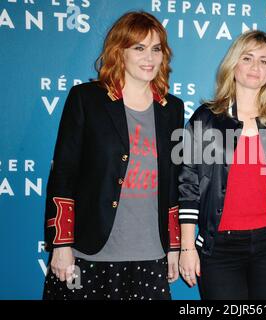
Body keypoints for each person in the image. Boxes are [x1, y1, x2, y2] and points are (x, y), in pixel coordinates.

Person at [43, 11, 184, 300]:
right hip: (89, 250)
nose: (149, 58)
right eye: (139, 48)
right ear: (119, 51)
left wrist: (173, 246)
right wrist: (61, 244)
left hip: (150, 253)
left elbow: (172, 184)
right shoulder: (86, 99)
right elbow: (64, 173)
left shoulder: (172, 109)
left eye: (156, 49)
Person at [177, 30, 266, 300]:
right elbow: (188, 185)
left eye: (264, 60)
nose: (255, 67)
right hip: (218, 248)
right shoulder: (206, 119)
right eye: (247, 58)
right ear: (233, 64)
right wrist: (187, 247)